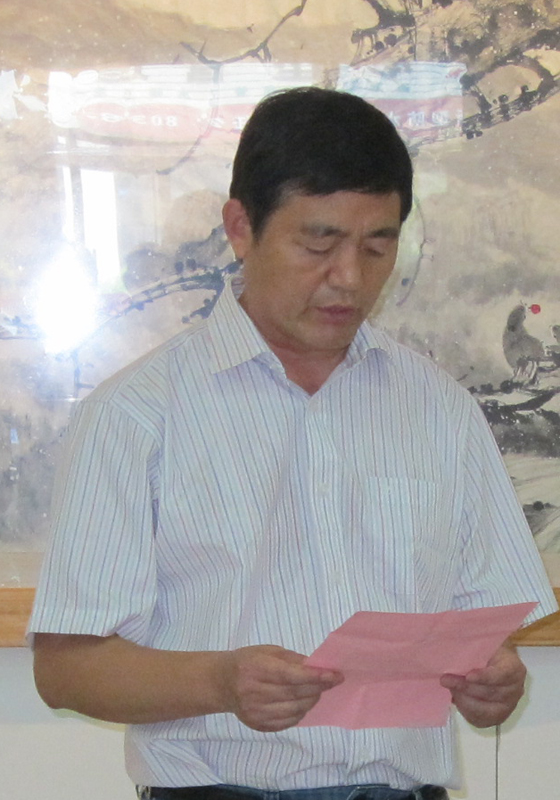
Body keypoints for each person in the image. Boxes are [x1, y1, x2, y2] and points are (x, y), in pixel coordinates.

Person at [29, 87, 557, 800]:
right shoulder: (137, 414)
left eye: (378, 246)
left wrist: (494, 682)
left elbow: (483, 635)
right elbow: (65, 668)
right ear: (240, 227)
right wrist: (220, 682)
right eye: (319, 243)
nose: (350, 278)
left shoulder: (440, 409)